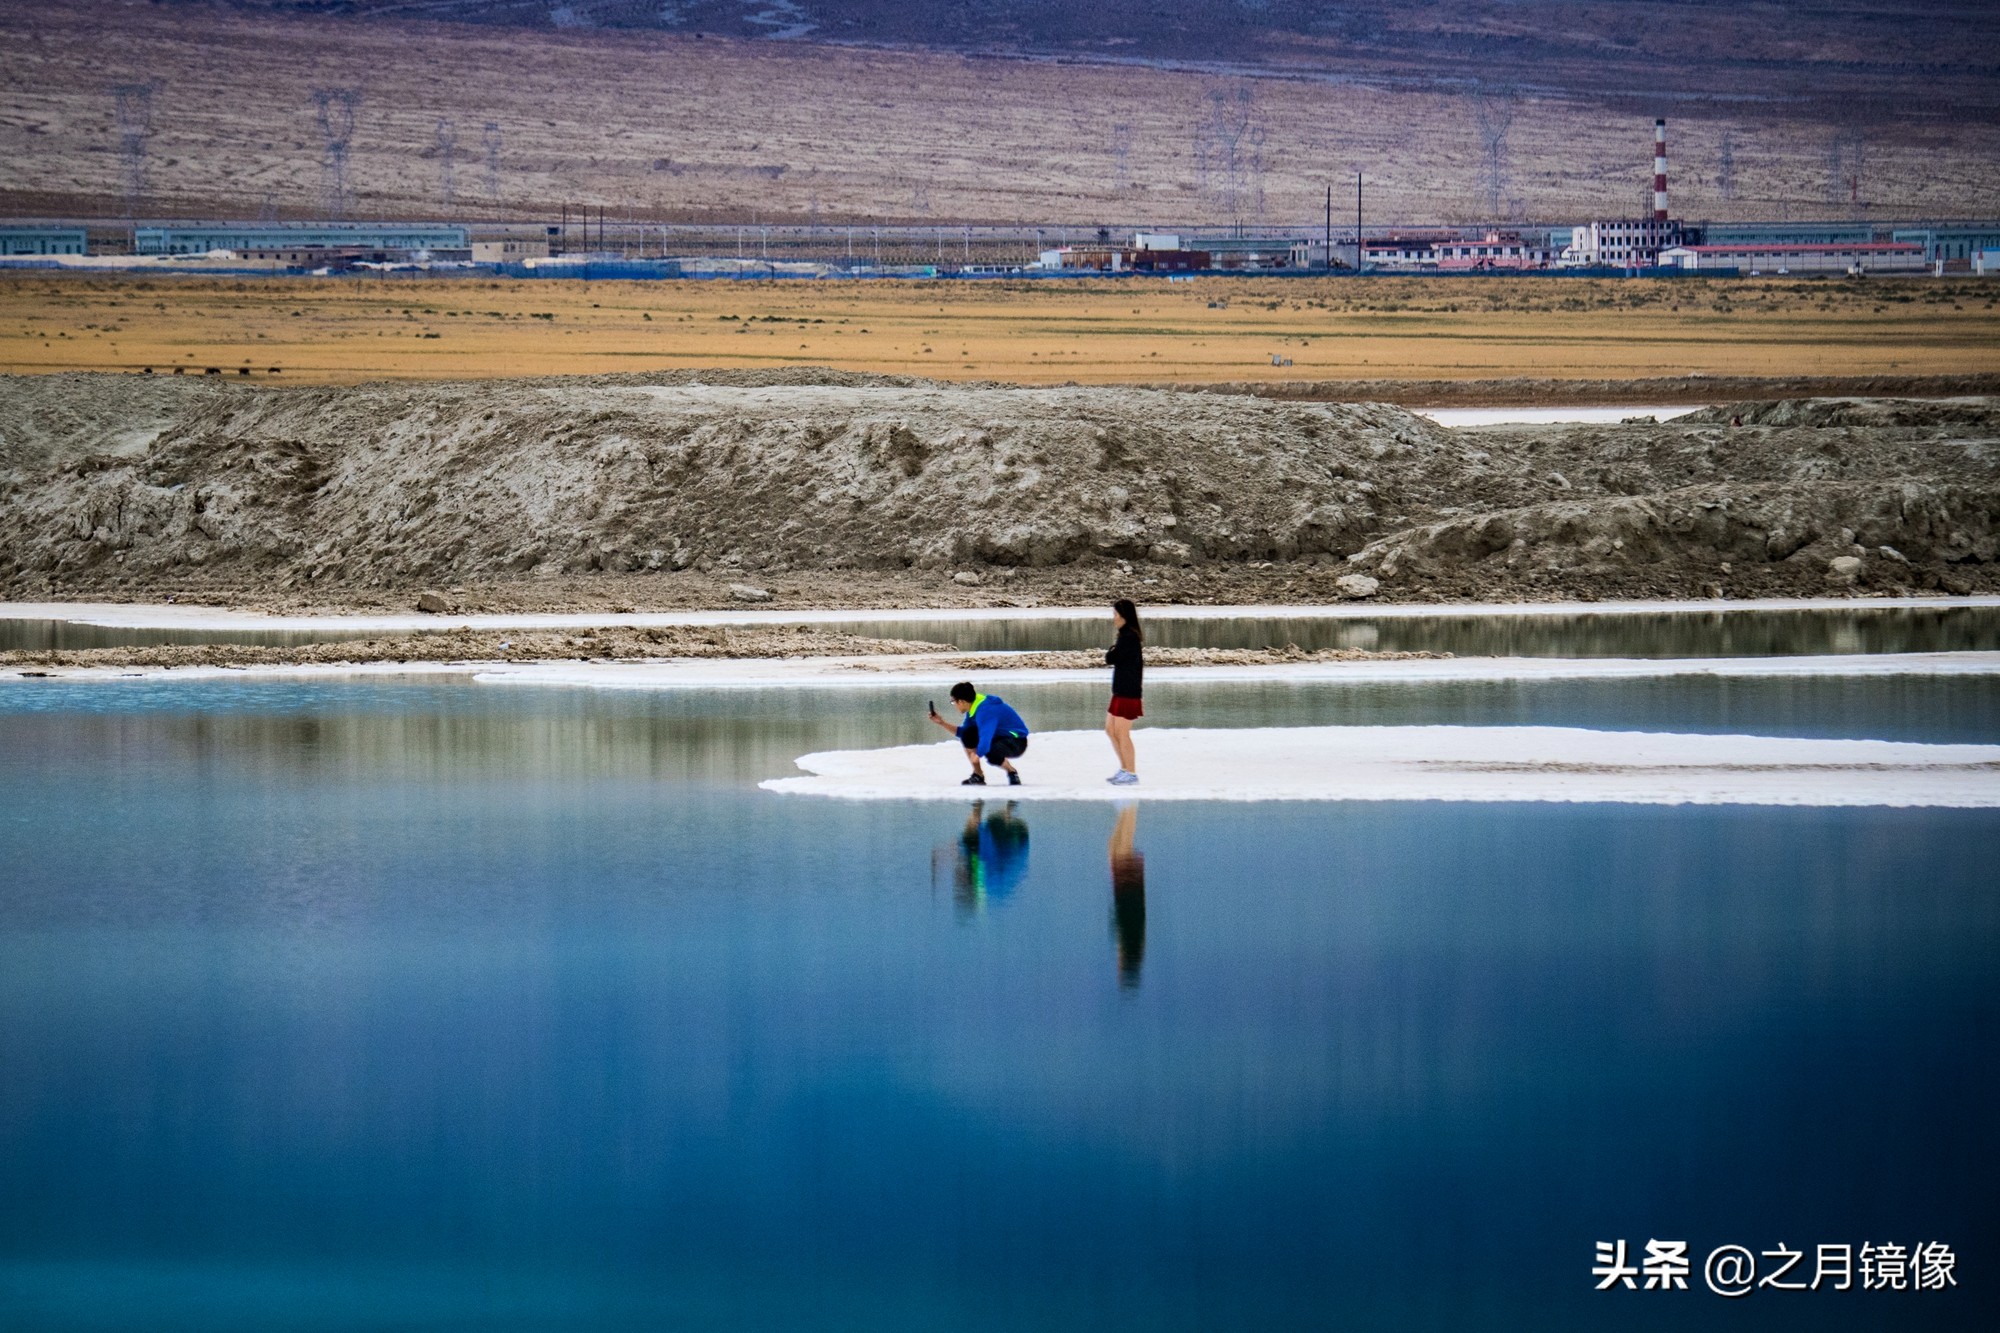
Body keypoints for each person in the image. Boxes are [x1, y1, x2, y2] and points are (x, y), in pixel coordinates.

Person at [927, 681, 1029, 786]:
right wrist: (942, 723)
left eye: (953, 702)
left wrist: (977, 755)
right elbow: (963, 733)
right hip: (998, 737)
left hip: (1016, 742)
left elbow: (986, 736)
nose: (954, 705)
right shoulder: (974, 707)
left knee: (990, 752)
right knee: (968, 734)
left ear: (961, 701)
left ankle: (1012, 772)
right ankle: (978, 775)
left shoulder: (985, 710)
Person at [1104, 598, 1143, 785]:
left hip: (1128, 692)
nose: (1114, 618)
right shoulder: (1124, 635)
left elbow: (1112, 658)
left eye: (1115, 614)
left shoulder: (1129, 637)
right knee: (1110, 730)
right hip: (1120, 690)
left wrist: (1112, 653)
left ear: (1124, 616)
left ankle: (1131, 773)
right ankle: (1124, 768)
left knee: (1122, 733)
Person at [1109, 804, 1145, 989]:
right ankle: (1130, 805)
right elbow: (1127, 913)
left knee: (1113, 848)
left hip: (1124, 892)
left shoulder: (1127, 943)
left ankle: (1127, 808)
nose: (1118, 965)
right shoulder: (1131, 940)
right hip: (1128, 891)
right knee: (1123, 849)